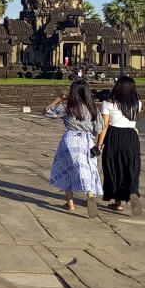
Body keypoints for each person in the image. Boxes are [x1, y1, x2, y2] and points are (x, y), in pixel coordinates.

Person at [43, 80, 104, 217]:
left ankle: (70, 204)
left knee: (67, 169)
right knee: (88, 169)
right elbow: (99, 128)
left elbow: (47, 111)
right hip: (87, 141)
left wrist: (59, 98)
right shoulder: (93, 108)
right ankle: (90, 195)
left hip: (70, 140)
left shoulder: (68, 107)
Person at [97, 76, 143, 216]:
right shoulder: (138, 103)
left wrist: (99, 144)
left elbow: (104, 126)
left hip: (114, 136)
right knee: (131, 167)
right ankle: (133, 192)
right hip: (131, 137)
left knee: (114, 168)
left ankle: (118, 204)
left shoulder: (108, 103)